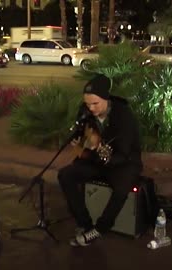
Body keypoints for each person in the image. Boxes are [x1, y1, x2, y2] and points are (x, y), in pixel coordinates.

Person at [58, 74, 143, 247]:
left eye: (95, 104)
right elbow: (81, 136)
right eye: (88, 104)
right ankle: (85, 224)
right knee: (65, 174)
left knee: (122, 186)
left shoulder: (123, 114)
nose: (91, 108)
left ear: (106, 98)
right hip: (96, 159)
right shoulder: (85, 111)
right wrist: (80, 144)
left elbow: (124, 151)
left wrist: (99, 150)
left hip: (123, 161)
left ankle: (100, 228)